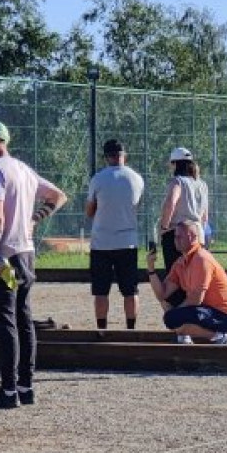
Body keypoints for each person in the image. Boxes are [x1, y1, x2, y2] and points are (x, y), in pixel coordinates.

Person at [0, 118, 68, 409]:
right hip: (26, 254)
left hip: (4, 255)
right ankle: (26, 387)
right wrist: (34, 220)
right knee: (23, 319)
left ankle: (8, 391)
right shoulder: (23, 169)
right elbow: (58, 196)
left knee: (4, 322)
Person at [146, 219, 227, 345]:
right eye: (175, 237)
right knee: (169, 309)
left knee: (172, 318)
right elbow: (162, 294)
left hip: (225, 315)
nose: (176, 240)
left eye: (180, 237)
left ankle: (219, 336)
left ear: (193, 237)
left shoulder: (201, 259)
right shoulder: (181, 262)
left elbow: (196, 299)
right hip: (207, 310)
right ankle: (186, 333)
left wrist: (176, 313)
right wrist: (151, 268)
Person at [85, 138, 145, 331]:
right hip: (127, 242)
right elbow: (136, 206)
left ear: (106, 157)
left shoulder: (98, 179)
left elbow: (89, 211)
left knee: (101, 291)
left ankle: (102, 330)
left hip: (101, 243)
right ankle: (131, 330)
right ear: (124, 155)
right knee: (130, 291)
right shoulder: (137, 179)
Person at [157, 147, 208, 276]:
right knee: (194, 276)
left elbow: (171, 203)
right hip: (197, 234)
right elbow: (205, 216)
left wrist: (164, 227)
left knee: (175, 277)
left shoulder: (178, 181)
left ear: (175, 164)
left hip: (178, 234)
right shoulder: (202, 184)